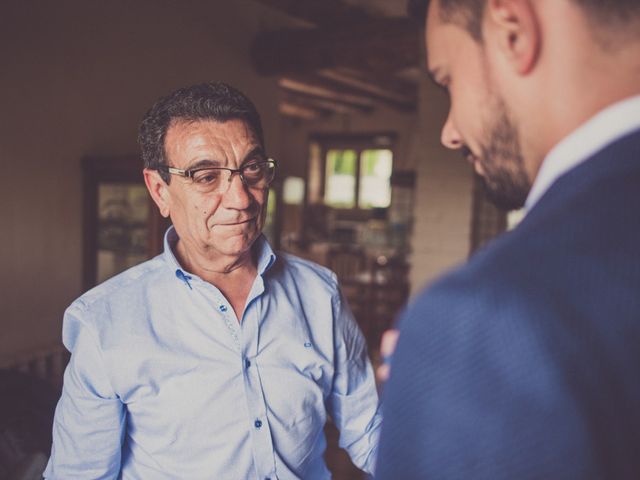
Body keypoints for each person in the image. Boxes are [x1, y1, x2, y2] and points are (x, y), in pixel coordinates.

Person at [44, 82, 380, 479]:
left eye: (251, 169)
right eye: (206, 176)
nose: (240, 198)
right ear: (159, 190)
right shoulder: (104, 322)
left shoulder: (320, 293)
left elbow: (371, 430)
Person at [377, 0, 640, 478]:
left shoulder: (486, 324)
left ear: (512, 29)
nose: (449, 133)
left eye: (447, 79)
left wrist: (445, 369)